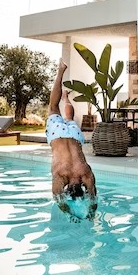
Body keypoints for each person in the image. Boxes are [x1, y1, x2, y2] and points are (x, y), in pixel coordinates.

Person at [47, 60, 97, 219]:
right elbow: (59, 200)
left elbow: (92, 197)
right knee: (53, 107)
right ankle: (60, 72)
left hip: (75, 136)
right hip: (57, 135)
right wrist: (73, 216)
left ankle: (65, 96)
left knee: (69, 117)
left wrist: (91, 213)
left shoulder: (86, 173)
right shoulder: (60, 176)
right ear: (68, 187)